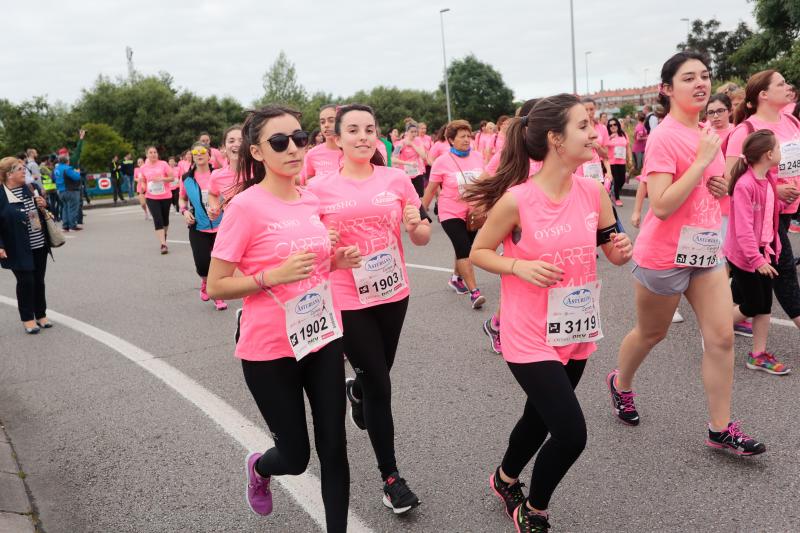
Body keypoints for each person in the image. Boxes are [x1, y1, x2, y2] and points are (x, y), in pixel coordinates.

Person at [467, 94, 633, 532]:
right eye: (583, 126)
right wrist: (518, 264)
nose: (595, 133)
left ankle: (504, 479)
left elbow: (610, 250)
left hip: (576, 327)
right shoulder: (517, 200)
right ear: (556, 139)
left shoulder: (594, 191)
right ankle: (533, 509)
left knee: (538, 417)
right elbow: (479, 252)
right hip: (528, 335)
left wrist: (619, 250)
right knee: (571, 433)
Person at [206, 105, 361, 533]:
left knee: (335, 446)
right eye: (280, 142)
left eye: (299, 137)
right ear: (257, 152)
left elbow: (310, 265)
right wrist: (270, 276)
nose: (293, 147)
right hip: (270, 349)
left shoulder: (309, 197)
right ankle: (260, 467)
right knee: (296, 457)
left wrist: (335, 261)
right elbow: (217, 284)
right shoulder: (245, 208)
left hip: (322, 337)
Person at [607, 51, 766, 457]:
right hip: (663, 256)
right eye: (689, 77)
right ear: (667, 89)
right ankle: (621, 382)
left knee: (722, 338)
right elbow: (660, 204)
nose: (701, 83)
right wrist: (699, 165)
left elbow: (706, 189)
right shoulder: (664, 137)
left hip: (705, 252)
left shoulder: (706, 132)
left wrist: (718, 187)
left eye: (705, 76)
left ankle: (720, 428)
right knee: (652, 333)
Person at [308, 103, 430, 515]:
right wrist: (326, 244)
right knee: (381, 383)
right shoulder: (319, 189)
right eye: (353, 130)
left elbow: (422, 237)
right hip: (346, 296)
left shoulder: (397, 179)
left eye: (369, 129)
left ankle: (355, 389)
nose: (363, 136)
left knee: (378, 374)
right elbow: (313, 253)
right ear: (337, 138)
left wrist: (416, 226)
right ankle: (391, 478)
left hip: (393, 292)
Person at [724, 69, 800, 341]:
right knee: (785, 272)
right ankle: (721, 327)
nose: (787, 86)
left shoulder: (791, 121)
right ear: (764, 94)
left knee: (751, 285)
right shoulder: (745, 130)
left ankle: (727, 317)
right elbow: (730, 179)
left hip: (790, 210)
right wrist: (773, 190)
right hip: (762, 216)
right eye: (781, 83)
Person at [724, 129, 789, 375]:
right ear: (769, 154)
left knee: (765, 306)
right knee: (752, 304)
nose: (781, 152)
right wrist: (756, 259)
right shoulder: (745, 185)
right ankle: (716, 330)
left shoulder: (768, 179)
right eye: (780, 148)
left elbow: (769, 209)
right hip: (746, 255)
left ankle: (758, 355)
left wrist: (786, 201)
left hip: (765, 252)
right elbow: (743, 230)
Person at [421, 120, 487, 309]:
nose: (467, 140)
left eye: (469, 136)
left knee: (463, 247)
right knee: (464, 248)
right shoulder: (442, 161)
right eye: (462, 136)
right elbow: (431, 189)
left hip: (474, 213)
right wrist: (421, 213)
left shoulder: (477, 157)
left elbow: (485, 183)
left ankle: (456, 278)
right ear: (450, 140)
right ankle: (475, 293)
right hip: (450, 211)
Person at [0, 157, 54, 334]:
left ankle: (41, 314)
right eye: (20, 169)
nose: (24, 171)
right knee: (26, 281)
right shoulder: (1, 194)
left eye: (24, 168)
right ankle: (27, 319)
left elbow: (40, 214)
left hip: (38, 243)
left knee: (39, 281)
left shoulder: (30, 188)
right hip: (15, 245)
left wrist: (43, 205)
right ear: (9, 174)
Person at [179, 142, 227, 310]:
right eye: (195, 152)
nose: (199, 155)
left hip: (221, 225)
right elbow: (182, 199)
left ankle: (217, 296)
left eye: (202, 152)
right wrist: (184, 211)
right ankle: (205, 282)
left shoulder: (219, 174)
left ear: (209, 156)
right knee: (202, 263)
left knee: (218, 262)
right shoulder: (187, 178)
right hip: (198, 226)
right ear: (192, 156)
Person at [137, 147, 173, 254]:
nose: (153, 154)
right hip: (151, 197)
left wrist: (162, 179)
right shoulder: (143, 168)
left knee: (165, 220)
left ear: (157, 154)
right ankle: (163, 244)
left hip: (166, 196)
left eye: (155, 152)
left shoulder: (163, 164)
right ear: (147, 155)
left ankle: (164, 235)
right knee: (157, 219)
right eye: (150, 153)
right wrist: (143, 186)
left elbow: (172, 177)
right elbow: (143, 181)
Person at [207, 125, 243, 219]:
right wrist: (214, 208)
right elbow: (212, 194)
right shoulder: (216, 175)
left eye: (242, 141)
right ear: (224, 147)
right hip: (232, 226)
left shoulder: (261, 171)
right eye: (231, 141)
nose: (236, 144)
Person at [301, 104, 342, 183]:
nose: (326, 125)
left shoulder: (352, 152)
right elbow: (306, 182)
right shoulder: (312, 154)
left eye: (331, 121)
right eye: (322, 122)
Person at [392, 123, 428, 197]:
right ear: (407, 132)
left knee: (420, 197)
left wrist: (412, 144)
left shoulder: (418, 141)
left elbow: (423, 156)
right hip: (406, 174)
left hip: (418, 172)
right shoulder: (401, 143)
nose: (414, 134)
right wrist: (408, 163)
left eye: (415, 131)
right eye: (412, 132)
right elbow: (393, 159)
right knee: (408, 197)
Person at [605, 117, 632, 206]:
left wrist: (630, 159)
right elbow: (603, 146)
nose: (613, 126)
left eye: (614, 124)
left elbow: (628, 147)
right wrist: (609, 137)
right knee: (616, 180)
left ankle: (613, 191)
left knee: (622, 180)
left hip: (622, 161)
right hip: (612, 161)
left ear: (618, 125)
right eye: (610, 125)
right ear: (608, 127)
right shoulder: (607, 136)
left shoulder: (623, 134)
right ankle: (617, 198)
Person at [53, 152, 82, 232]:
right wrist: (77, 172)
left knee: (65, 208)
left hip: (60, 191)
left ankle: (65, 226)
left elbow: (53, 178)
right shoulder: (67, 168)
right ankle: (72, 226)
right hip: (70, 190)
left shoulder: (56, 169)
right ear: (67, 161)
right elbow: (76, 177)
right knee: (73, 208)